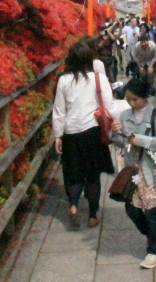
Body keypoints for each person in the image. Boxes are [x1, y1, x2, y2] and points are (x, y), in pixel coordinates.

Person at [52, 39, 115, 228]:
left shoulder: (63, 80)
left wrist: (58, 135)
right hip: (92, 132)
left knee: (73, 173)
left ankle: (73, 205)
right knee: (92, 176)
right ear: (89, 59)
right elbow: (108, 105)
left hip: (71, 133)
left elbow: (59, 111)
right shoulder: (98, 78)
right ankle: (93, 215)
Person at [111, 77, 156, 269]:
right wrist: (115, 134)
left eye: (135, 99)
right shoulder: (124, 116)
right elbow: (121, 142)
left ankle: (155, 250)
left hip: (152, 170)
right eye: (128, 100)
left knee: (152, 211)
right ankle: (152, 237)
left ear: (145, 97)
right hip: (133, 171)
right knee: (132, 210)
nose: (131, 103)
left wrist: (136, 138)